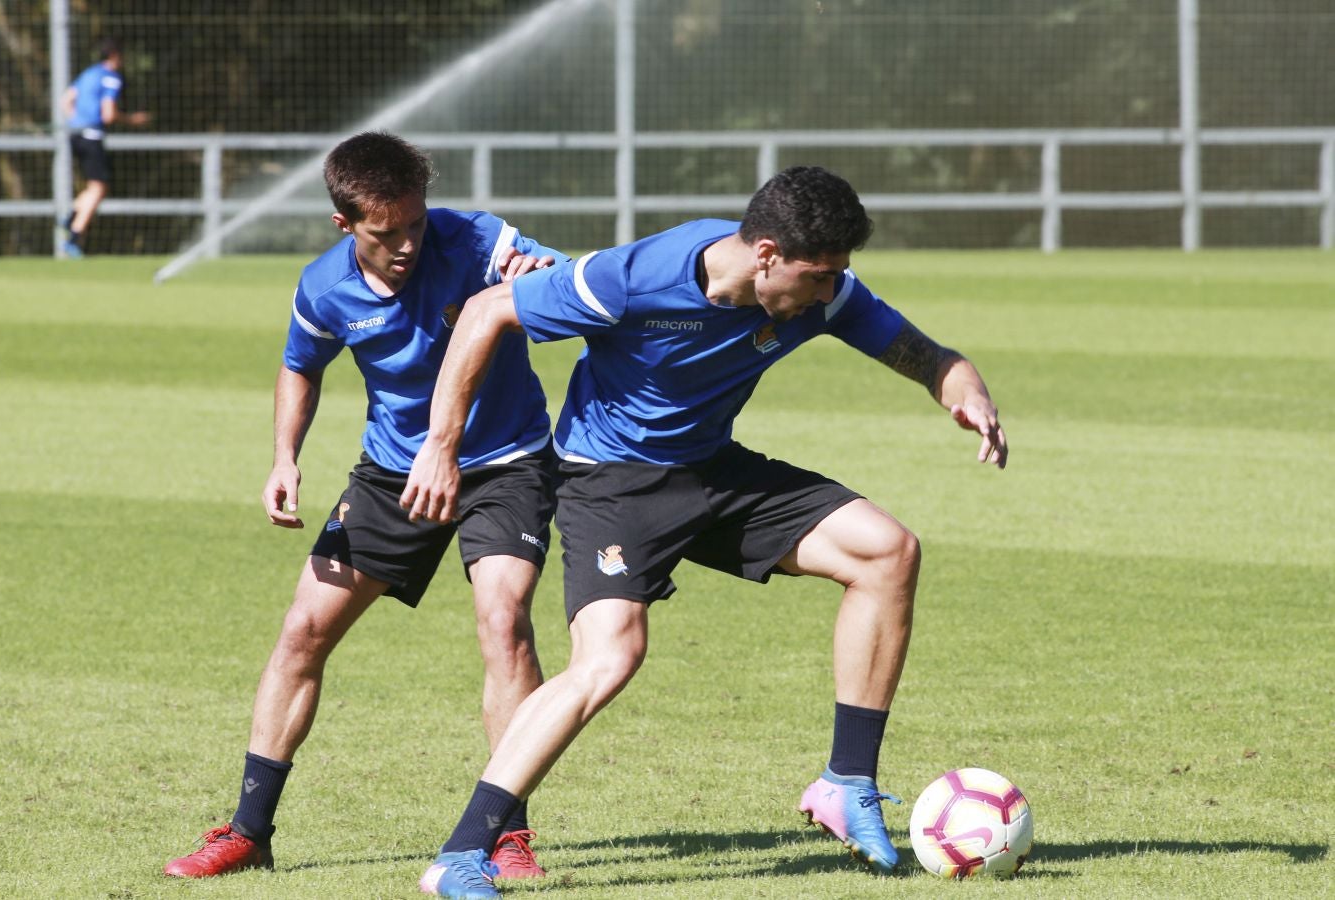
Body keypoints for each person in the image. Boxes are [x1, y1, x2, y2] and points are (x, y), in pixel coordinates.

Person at [402, 165, 1008, 898]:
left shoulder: (823, 294)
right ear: (766, 255)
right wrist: (441, 444)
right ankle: (462, 854)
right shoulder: (635, 277)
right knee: (609, 658)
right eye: (817, 276)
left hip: (712, 471)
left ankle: (846, 783)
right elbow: (485, 312)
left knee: (887, 552)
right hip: (613, 481)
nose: (829, 292)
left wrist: (962, 387)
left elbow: (927, 356)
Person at [162, 131, 565, 880]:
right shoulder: (323, 287)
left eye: (416, 222)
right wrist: (285, 457)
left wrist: (539, 271)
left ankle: (508, 836)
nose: (410, 242)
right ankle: (248, 833)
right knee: (302, 632)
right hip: (393, 474)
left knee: (504, 619)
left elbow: (547, 269)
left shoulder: (477, 238)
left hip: (504, 463)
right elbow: (299, 366)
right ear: (345, 224)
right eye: (389, 232)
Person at [60, 38, 150, 258]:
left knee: (94, 186)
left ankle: (71, 216)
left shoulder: (89, 73)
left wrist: (77, 122)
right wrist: (133, 120)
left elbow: (66, 100)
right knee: (99, 188)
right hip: (92, 136)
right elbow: (109, 114)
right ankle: (74, 236)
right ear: (114, 56)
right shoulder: (111, 78)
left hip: (76, 135)